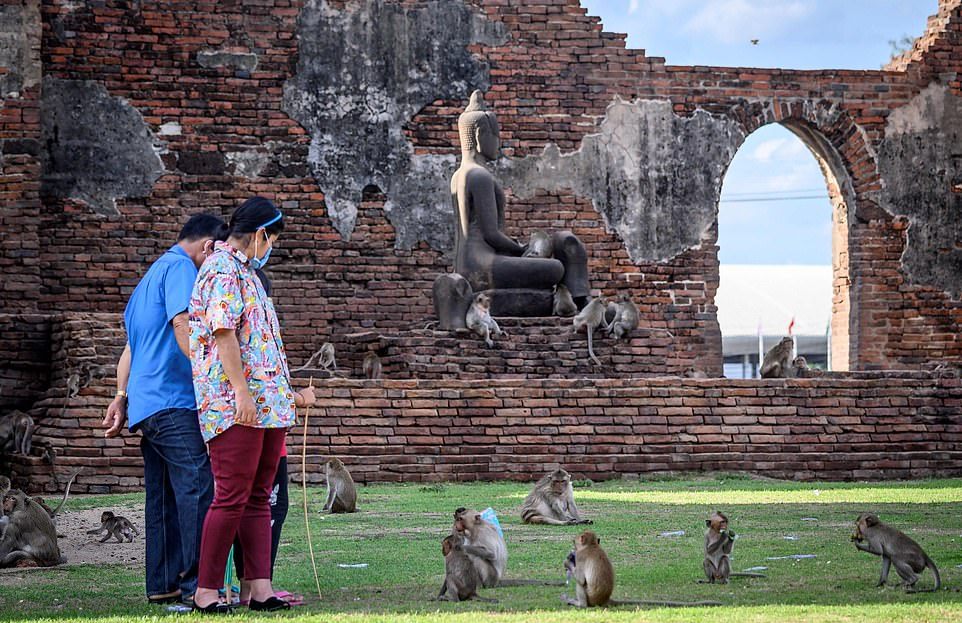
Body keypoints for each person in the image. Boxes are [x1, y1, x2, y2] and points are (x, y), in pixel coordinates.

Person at [188, 196, 316, 613]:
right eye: (272, 239)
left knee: (260, 496)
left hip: (269, 405)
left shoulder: (248, 274)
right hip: (236, 404)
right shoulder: (221, 269)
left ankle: (258, 587)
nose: (271, 248)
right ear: (261, 235)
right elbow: (223, 334)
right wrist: (241, 391)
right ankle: (206, 591)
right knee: (231, 496)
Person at [102, 214, 227, 605]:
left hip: (146, 404)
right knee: (197, 486)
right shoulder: (180, 269)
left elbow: (130, 351)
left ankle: (163, 584)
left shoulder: (148, 279)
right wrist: (215, 373)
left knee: (164, 497)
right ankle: (199, 588)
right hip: (172, 402)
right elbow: (182, 324)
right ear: (208, 246)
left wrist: (121, 397)